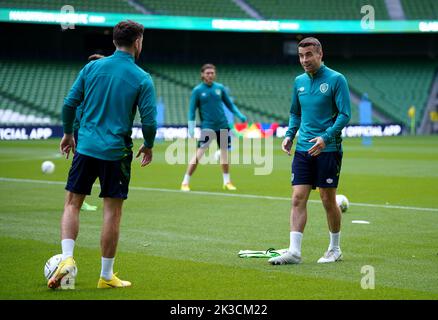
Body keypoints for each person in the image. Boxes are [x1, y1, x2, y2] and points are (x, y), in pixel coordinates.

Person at [48, 20, 157, 289]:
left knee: (73, 203)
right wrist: (149, 144)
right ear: (138, 42)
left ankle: (67, 258)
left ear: (114, 42)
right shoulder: (142, 78)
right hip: (116, 152)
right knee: (112, 212)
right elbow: (150, 121)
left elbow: (69, 103)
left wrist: (68, 134)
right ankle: (106, 275)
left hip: (85, 148)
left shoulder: (92, 67)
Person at [269, 37, 351, 265]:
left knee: (327, 199)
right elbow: (295, 113)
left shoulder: (336, 79)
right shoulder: (299, 82)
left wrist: (325, 138)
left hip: (328, 149)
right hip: (303, 148)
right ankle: (294, 252)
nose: (304, 60)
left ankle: (334, 249)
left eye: (309, 55)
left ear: (320, 54)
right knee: (297, 198)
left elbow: (345, 114)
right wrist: (289, 135)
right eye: (301, 56)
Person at [180, 64, 247, 192]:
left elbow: (230, 105)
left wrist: (239, 114)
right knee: (198, 155)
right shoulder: (197, 91)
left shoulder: (220, 88)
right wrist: (191, 127)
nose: (210, 75)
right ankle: (185, 181)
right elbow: (191, 111)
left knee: (225, 156)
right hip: (208, 128)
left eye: (212, 73)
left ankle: (227, 182)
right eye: (208, 73)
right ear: (202, 75)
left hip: (223, 126)